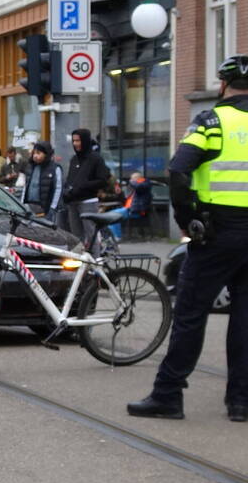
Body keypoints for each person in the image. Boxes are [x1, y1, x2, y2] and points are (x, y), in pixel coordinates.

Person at [128, 54, 248, 423]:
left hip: (217, 232)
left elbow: (178, 171)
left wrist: (189, 220)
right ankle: (241, 402)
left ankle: (168, 395)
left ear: (223, 85)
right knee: (244, 316)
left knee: (191, 313)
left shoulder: (211, 121)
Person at [61, 128, 109, 243]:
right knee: (76, 237)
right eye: (73, 141)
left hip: (88, 202)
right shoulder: (74, 159)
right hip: (73, 202)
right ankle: (80, 259)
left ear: (85, 140)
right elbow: (70, 179)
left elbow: (102, 180)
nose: (75, 144)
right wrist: (67, 191)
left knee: (91, 234)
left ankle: (95, 259)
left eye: (78, 141)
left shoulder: (95, 159)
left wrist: (84, 186)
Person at [20, 141, 63, 222]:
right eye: (34, 153)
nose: (35, 156)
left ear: (46, 154)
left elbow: (58, 189)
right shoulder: (30, 167)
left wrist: (53, 207)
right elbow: (26, 187)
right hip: (29, 206)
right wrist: (22, 204)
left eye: (38, 153)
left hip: (45, 208)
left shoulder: (55, 168)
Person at [105, 172, 153, 240]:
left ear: (137, 178)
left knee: (113, 216)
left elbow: (138, 187)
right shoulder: (137, 186)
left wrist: (131, 182)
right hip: (129, 209)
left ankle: (116, 236)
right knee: (111, 215)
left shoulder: (145, 184)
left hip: (136, 211)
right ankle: (113, 235)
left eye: (132, 179)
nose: (131, 181)